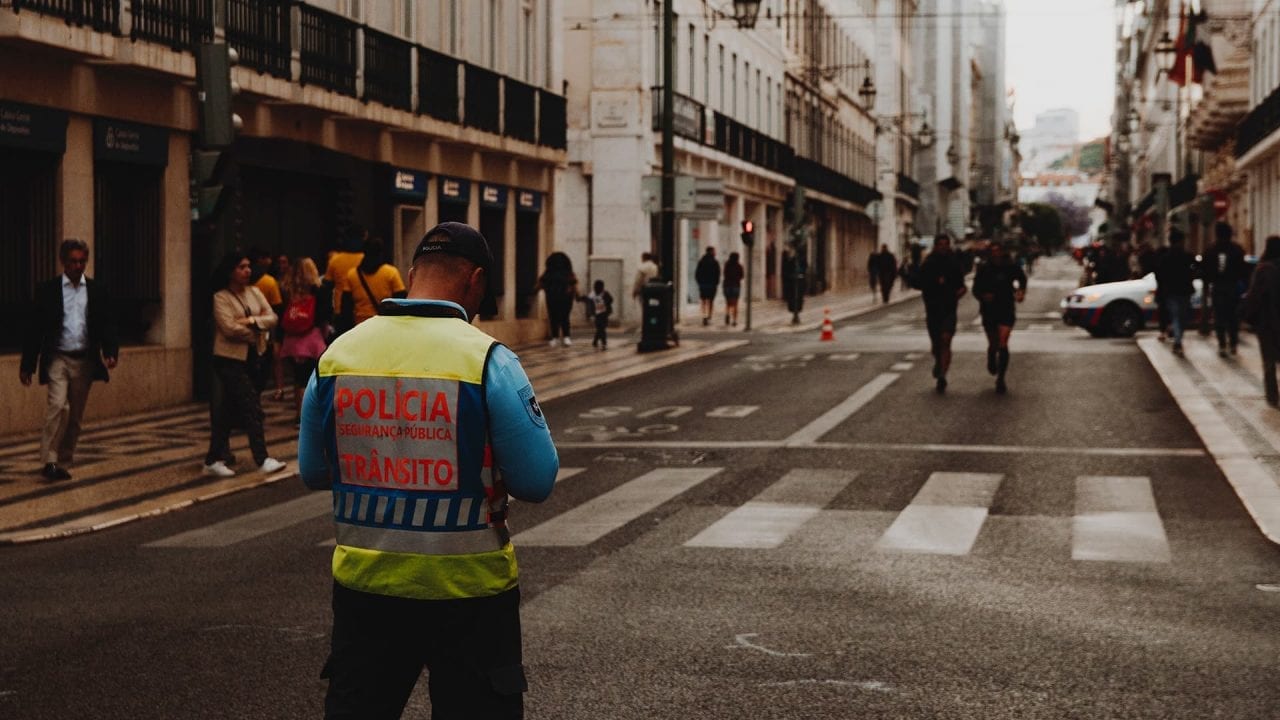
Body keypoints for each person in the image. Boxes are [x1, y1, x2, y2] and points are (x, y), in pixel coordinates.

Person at [298, 221, 559, 719]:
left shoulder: (337, 357)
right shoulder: (488, 360)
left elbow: (313, 470)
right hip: (471, 595)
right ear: (475, 280)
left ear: (414, 273)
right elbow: (537, 480)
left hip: (366, 590)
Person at [19, 239, 119, 481]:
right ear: (63, 261)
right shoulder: (48, 290)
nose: (78, 265)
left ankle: (62, 459)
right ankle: (49, 460)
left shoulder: (97, 290)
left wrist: (110, 351)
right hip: (58, 358)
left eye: (82, 261)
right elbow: (35, 329)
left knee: (74, 416)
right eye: (73, 261)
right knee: (58, 406)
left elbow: (106, 323)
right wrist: (28, 364)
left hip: (84, 360)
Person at [202, 251, 287, 478]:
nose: (247, 271)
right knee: (251, 406)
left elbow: (272, 318)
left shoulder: (255, 292)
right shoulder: (221, 297)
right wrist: (256, 331)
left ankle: (213, 458)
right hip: (228, 358)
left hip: (252, 357)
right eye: (241, 267)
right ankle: (262, 458)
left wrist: (250, 322)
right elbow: (228, 328)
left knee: (228, 410)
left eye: (248, 266)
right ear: (231, 271)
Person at [279, 257, 332, 422]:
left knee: (298, 379)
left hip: (291, 341)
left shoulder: (287, 290)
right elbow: (324, 315)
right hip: (311, 340)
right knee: (311, 378)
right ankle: (308, 415)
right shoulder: (318, 290)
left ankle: (299, 413)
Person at [972, 243, 1027, 394]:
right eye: (993, 252)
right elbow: (975, 289)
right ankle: (991, 355)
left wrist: (1021, 292)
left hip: (1006, 308)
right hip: (989, 310)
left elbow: (1022, 278)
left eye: (998, 251)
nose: (996, 254)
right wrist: (983, 296)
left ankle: (1001, 378)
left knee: (1003, 342)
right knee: (993, 343)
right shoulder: (984, 268)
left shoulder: (1010, 267)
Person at [917, 234, 968, 394]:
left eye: (946, 244)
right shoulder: (928, 264)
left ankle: (942, 376)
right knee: (935, 345)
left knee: (946, 340)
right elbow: (919, 283)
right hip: (932, 309)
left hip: (949, 309)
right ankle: (939, 362)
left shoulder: (954, 264)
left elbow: (962, 286)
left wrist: (957, 294)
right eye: (940, 244)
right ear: (935, 246)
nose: (944, 247)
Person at [1243, 236, 1280, 407]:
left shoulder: (1263, 269)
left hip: (1267, 323)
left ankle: (1272, 397)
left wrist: (1249, 317)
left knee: (1269, 361)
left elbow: (1254, 297)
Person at [1202, 222, 1248, 357]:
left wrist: (1206, 286)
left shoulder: (1210, 250)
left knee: (1219, 316)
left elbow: (1205, 271)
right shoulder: (1237, 249)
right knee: (1233, 316)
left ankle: (1222, 343)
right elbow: (1243, 270)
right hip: (1233, 287)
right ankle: (1233, 343)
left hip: (1218, 287)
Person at [341, 235, 406, 327]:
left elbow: (346, 306)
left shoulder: (352, 274)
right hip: (383, 324)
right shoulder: (391, 273)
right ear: (381, 253)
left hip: (360, 326)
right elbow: (401, 301)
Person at [1154, 229, 1196, 357]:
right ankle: (1178, 341)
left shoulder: (1165, 257)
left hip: (1171, 291)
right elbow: (1194, 272)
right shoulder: (1187, 257)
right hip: (1183, 291)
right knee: (1181, 317)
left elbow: (1159, 275)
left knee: (1177, 317)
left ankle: (1178, 339)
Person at [252, 248, 287, 399]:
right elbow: (277, 306)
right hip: (267, 325)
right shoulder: (269, 281)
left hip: (254, 324)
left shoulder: (265, 281)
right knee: (273, 357)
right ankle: (279, 388)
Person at [325, 225, 367, 333]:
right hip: (362, 310)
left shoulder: (335, 260)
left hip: (340, 311)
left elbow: (327, 286)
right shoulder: (366, 259)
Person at [537, 251, 578, 346]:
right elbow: (574, 285)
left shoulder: (548, 273)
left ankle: (555, 337)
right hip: (566, 299)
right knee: (565, 317)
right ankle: (566, 337)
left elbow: (539, 284)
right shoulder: (568, 273)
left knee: (553, 317)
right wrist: (577, 296)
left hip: (552, 298)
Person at [695, 246, 720, 325]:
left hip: (703, 284)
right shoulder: (715, 262)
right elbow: (717, 274)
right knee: (711, 301)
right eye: (714, 251)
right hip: (712, 285)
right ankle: (709, 315)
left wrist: (699, 282)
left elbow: (697, 273)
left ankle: (704, 315)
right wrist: (716, 283)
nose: (715, 253)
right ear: (711, 252)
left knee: (704, 301)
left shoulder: (701, 261)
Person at [586, 279, 614, 349]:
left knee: (601, 328)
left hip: (604, 313)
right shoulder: (593, 295)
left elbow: (611, 300)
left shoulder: (604, 293)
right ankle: (603, 342)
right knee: (601, 328)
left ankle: (595, 341)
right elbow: (589, 305)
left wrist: (604, 302)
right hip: (598, 314)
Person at [722, 251, 744, 326]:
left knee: (728, 303)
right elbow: (742, 276)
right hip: (735, 286)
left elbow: (724, 274)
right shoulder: (739, 266)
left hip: (727, 286)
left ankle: (727, 313)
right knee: (735, 304)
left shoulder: (727, 265)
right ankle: (734, 320)